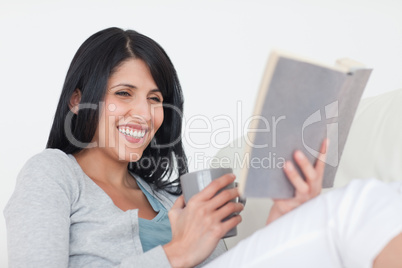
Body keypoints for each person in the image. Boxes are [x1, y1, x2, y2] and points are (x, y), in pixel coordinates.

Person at [4, 27, 402, 268]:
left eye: (155, 98)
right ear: (77, 100)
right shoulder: (52, 173)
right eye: (124, 93)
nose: (143, 114)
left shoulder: (168, 197)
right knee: (360, 204)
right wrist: (175, 253)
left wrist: (285, 219)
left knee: (376, 203)